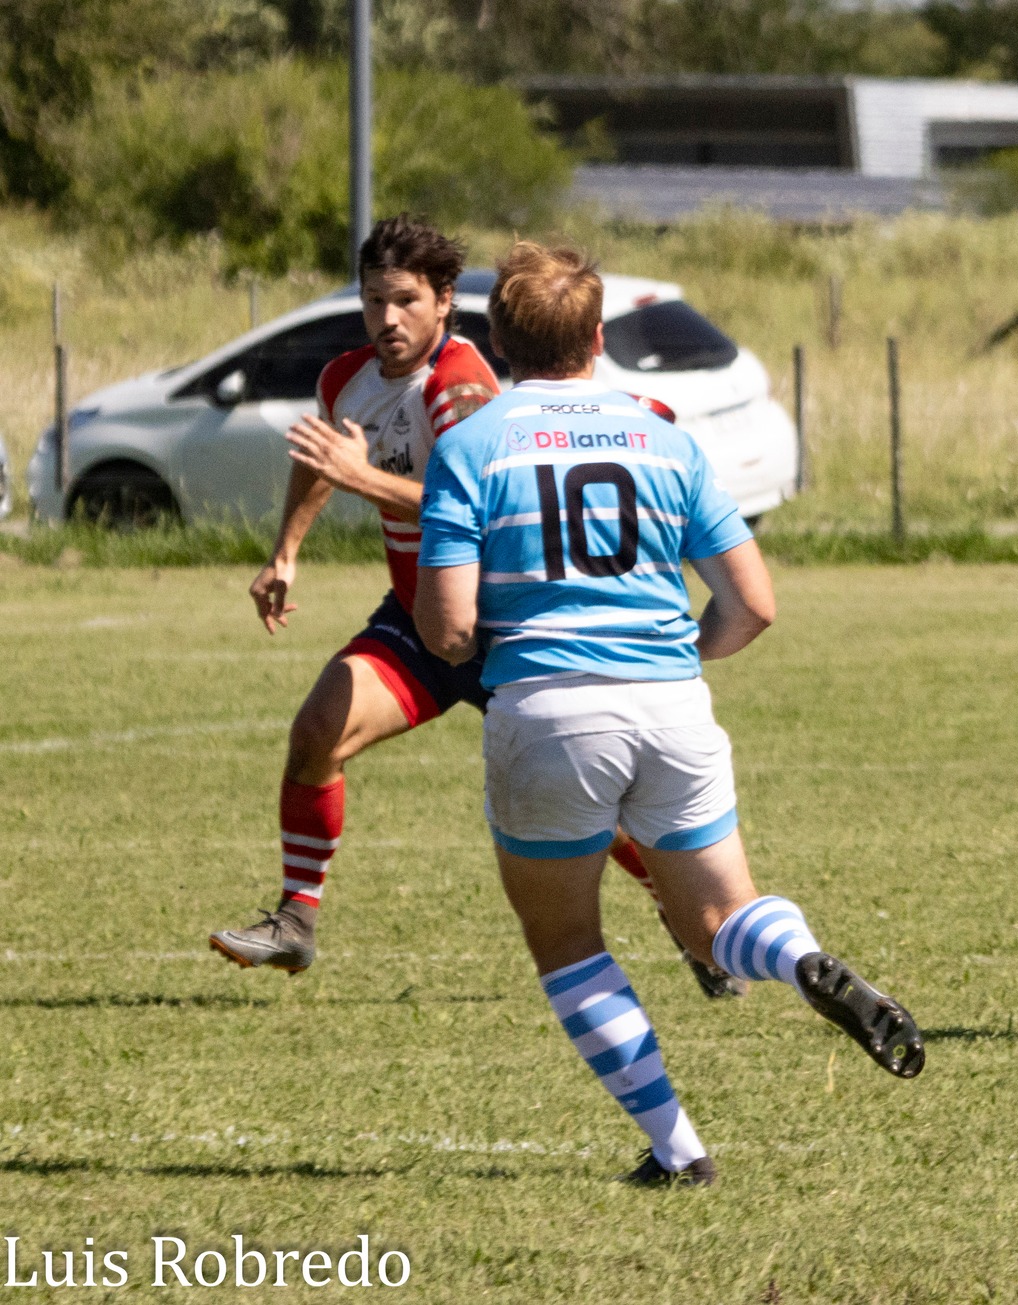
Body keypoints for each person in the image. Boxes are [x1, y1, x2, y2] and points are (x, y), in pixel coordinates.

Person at [412, 241, 923, 1187]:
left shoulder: (471, 444)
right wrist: (673, 655)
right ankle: (802, 955)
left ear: (495, 340)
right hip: (672, 705)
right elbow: (753, 605)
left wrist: (488, 646)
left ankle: (678, 1149)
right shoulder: (665, 436)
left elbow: (445, 624)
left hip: (549, 710)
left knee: (568, 941)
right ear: (599, 338)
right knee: (719, 918)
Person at [206, 216, 745, 1001]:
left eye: (404, 301)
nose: (387, 319)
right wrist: (286, 550)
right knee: (318, 730)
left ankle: (681, 906)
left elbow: (471, 505)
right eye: (373, 301)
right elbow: (328, 458)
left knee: (594, 799)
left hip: (505, 628)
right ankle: (296, 919)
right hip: (422, 622)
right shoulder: (346, 379)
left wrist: (363, 478)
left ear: (444, 302)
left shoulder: (462, 385)